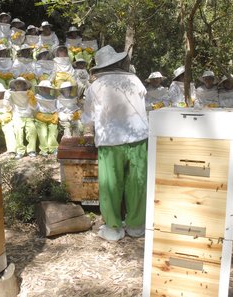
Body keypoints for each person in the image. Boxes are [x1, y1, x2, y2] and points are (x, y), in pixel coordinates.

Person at [82, 45, 149, 241]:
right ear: (118, 62)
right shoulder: (135, 80)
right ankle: (136, 226)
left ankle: (113, 228)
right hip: (138, 138)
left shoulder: (95, 86)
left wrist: (87, 132)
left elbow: (88, 117)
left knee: (111, 184)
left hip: (110, 141)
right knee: (137, 182)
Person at [9, 77, 37, 159]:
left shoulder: (29, 93)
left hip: (28, 116)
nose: (18, 85)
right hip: (17, 116)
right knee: (18, 130)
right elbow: (9, 107)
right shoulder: (11, 94)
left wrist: (32, 99)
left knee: (32, 129)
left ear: (25, 85)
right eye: (17, 83)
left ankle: (31, 150)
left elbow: (34, 107)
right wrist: (7, 98)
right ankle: (20, 151)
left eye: (20, 83)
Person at [35, 80, 58, 155]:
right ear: (41, 88)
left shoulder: (53, 98)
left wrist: (56, 114)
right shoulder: (36, 97)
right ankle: (44, 149)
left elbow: (56, 107)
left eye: (48, 88)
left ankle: (53, 148)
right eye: (45, 88)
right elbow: (34, 108)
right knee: (42, 133)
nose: (47, 90)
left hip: (52, 117)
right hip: (41, 116)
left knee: (53, 132)